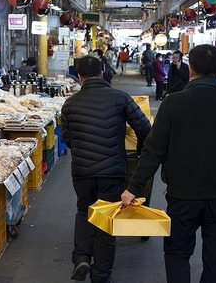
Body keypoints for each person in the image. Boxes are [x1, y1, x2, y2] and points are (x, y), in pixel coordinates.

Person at [121, 44, 216, 283]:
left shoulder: (173, 103)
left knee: (177, 253)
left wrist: (134, 188)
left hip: (183, 196)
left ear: (190, 68)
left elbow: (153, 151)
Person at [61, 55, 152, 283]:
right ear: (103, 71)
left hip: (82, 171)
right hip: (112, 170)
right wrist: (139, 150)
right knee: (106, 219)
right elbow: (145, 128)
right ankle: (101, 275)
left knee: (84, 212)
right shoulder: (120, 98)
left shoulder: (69, 104)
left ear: (79, 76)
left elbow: (68, 139)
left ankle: (81, 257)